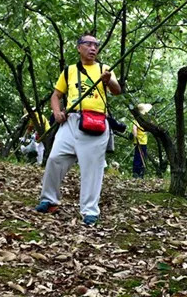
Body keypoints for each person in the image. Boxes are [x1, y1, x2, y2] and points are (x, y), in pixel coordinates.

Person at [34, 33, 121, 226]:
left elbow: (117, 90)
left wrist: (108, 81)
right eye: (88, 44)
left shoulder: (104, 69)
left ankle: (90, 211)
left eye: (96, 45)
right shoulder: (69, 71)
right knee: (55, 158)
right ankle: (49, 200)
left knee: (92, 168)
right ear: (78, 47)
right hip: (71, 121)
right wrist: (57, 112)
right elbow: (56, 96)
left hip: (95, 122)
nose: (93, 48)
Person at [132, 103, 152, 178]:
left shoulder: (144, 121)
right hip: (139, 142)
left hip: (144, 142)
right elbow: (134, 129)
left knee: (143, 157)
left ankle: (141, 173)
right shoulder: (137, 120)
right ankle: (136, 173)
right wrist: (136, 137)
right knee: (138, 156)